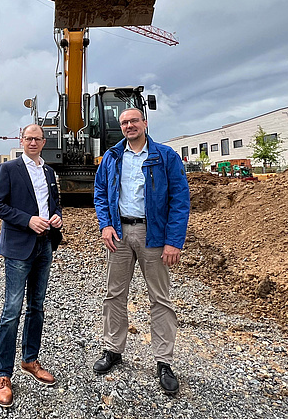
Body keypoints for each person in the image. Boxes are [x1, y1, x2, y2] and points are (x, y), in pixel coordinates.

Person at [92, 108, 190, 395]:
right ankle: (113, 349)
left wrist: (174, 241)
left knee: (160, 298)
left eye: (134, 120)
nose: (129, 125)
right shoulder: (112, 156)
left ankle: (163, 361)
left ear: (145, 123)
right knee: (114, 294)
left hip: (154, 234)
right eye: (124, 122)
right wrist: (106, 225)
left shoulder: (164, 156)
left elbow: (180, 199)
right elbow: (100, 192)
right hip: (119, 233)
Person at [0, 124, 63, 408]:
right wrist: (27, 220)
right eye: (28, 138)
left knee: (37, 307)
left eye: (37, 138)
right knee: (11, 310)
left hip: (44, 246)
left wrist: (56, 217)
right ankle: (3, 375)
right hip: (20, 247)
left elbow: (54, 204)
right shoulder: (8, 169)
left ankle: (30, 361)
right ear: (21, 141)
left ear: (44, 142)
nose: (33, 142)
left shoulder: (49, 172)